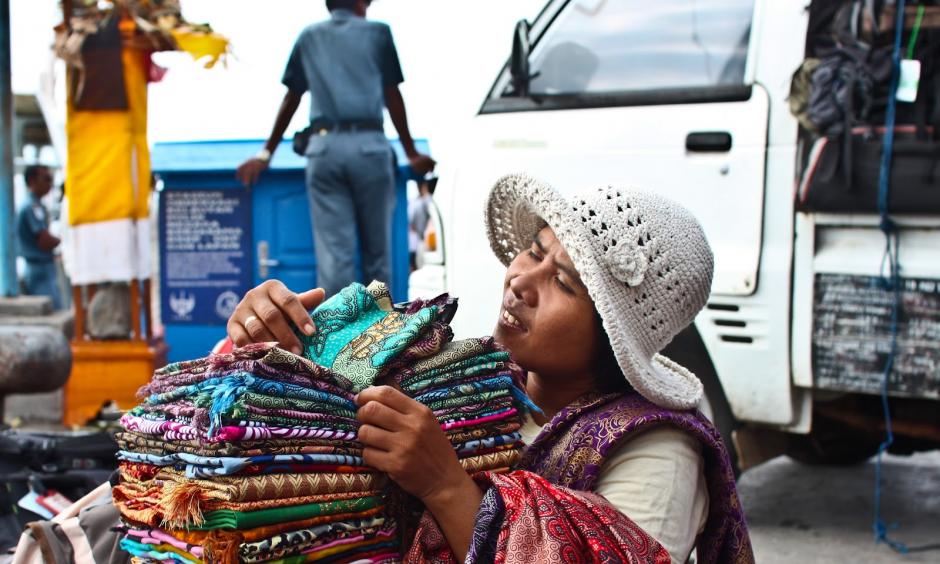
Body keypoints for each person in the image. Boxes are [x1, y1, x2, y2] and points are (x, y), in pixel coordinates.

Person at [227, 173, 754, 563]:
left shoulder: (659, 452)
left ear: (615, 337)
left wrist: (446, 487)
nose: (521, 281)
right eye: (533, 252)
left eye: (563, 283)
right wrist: (269, 340)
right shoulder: (462, 384)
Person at [236, 0, 435, 297]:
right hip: (370, 148)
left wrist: (265, 155)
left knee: (334, 260)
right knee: (377, 257)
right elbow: (392, 95)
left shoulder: (309, 36)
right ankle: (382, 324)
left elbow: (291, 98)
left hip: (325, 151)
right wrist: (411, 153)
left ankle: (340, 326)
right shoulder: (378, 33)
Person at [16, 165, 63, 310]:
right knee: (52, 309)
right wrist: (63, 240)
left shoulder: (33, 205)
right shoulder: (31, 207)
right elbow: (44, 241)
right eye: (47, 178)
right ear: (32, 181)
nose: (50, 183)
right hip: (39, 268)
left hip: (38, 267)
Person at [407, 176, 435, 271]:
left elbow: (412, 226)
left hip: (420, 245)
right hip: (432, 246)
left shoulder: (416, 203)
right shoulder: (431, 200)